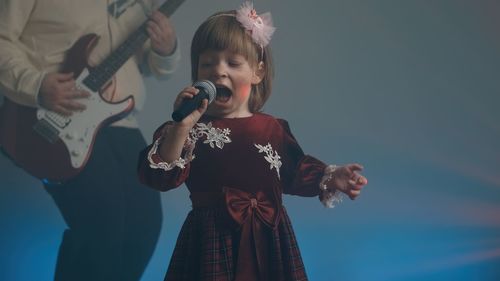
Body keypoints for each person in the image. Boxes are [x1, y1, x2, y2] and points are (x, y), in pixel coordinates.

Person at [138, 2, 368, 281]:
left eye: (233, 63)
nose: (218, 71)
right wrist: (181, 126)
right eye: (207, 63)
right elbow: (159, 178)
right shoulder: (189, 129)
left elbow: (296, 171)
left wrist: (332, 177)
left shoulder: (271, 129)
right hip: (211, 240)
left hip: (268, 239)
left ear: (257, 72)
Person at [0, 0, 180, 280]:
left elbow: (153, 67)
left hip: (119, 119)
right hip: (51, 116)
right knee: (102, 226)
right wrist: (35, 84)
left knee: (144, 228)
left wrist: (166, 49)